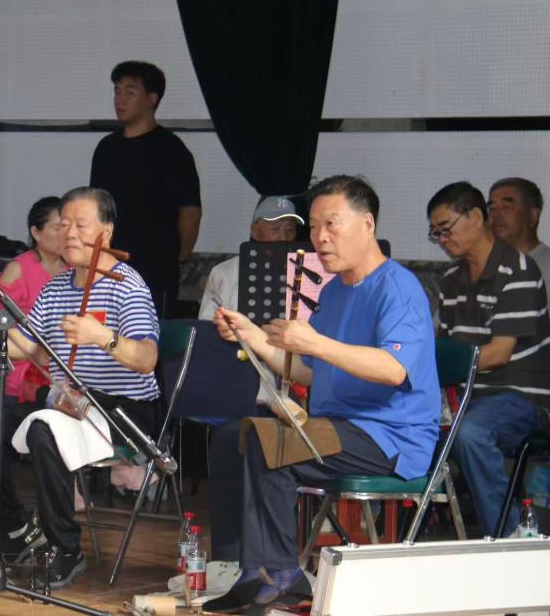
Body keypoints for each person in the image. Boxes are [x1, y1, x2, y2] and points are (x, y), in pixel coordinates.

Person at [204, 175, 440, 613]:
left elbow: (393, 370)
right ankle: (255, 570)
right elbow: (310, 372)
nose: (319, 238)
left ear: (367, 224)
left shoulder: (398, 287)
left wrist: (315, 342)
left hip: (390, 437)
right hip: (339, 429)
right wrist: (252, 335)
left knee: (272, 444)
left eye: (331, 224)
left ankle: (281, 575)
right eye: (313, 227)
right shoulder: (334, 291)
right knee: (237, 436)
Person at [0, 187, 160, 589]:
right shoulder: (56, 288)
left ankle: (65, 547)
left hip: (122, 413)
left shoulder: (127, 285)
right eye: (63, 224)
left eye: (80, 226)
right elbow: (27, 347)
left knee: (44, 429)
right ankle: (14, 531)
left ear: (106, 231)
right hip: (68, 405)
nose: (69, 233)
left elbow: (147, 358)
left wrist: (102, 337)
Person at [428, 181, 550, 537]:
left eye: (446, 229)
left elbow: (499, 353)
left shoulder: (519, 270)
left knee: (470, 433)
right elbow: (442, 348)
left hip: (521, 398)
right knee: (405, 427)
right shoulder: (451, 279)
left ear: (476, 217)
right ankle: (414, 536)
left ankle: (507, 537)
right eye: (436, 233)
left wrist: (435, 365)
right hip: (470, 397)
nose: (443, 239)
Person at [197, 195, 302, 577]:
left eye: (289, 228)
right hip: (241, 393)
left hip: (298, 395)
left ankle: (280, 558)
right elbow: (207, 338)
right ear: (254, 231)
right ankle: (229, 557)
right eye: (274, 228)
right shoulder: (225, 273)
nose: (283, 235)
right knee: (230, 439)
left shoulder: (310, 274)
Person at [90, 61, 201, 319]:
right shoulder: (106, 148)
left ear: (152, 99)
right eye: (117, 91)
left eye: (130, 92)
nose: (120, 99)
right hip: (109, 264)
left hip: (155, 267)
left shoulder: (171, 149)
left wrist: (178, 256)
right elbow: (94, 206)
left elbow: (190, 211)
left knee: (149, 333)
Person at [0, 196, 66, 403]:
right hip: (21, 375)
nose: (66, 234)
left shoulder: (72, 270)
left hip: (61, 378)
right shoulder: (18, 269)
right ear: (36, 233)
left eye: (68, 227)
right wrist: (31, 347)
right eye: (58, 228)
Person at [488, 177, 550, 304]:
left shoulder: (546, 267)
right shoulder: (480, 267)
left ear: (533, 216)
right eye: (492, 208)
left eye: (506, 207)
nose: (496, 214)